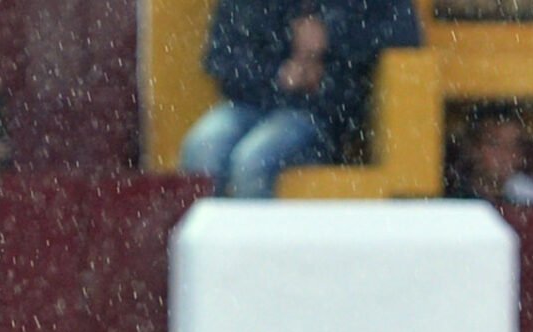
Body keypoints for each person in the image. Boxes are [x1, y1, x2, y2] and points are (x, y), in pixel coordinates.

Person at [180, 0, 420, 198]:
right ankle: (212, 252)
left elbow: (405, 34)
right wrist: (278, 76)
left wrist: (332, 36)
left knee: (253, 161)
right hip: (249, 103)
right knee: (202, 147)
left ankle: (256, 254)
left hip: (318, 115)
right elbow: (221, 56)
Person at [447, 104, 533, 206]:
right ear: (472, 149)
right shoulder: (454, 202)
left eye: (514, 144)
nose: (507, 153)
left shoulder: (532, 198)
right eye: (495, 144)